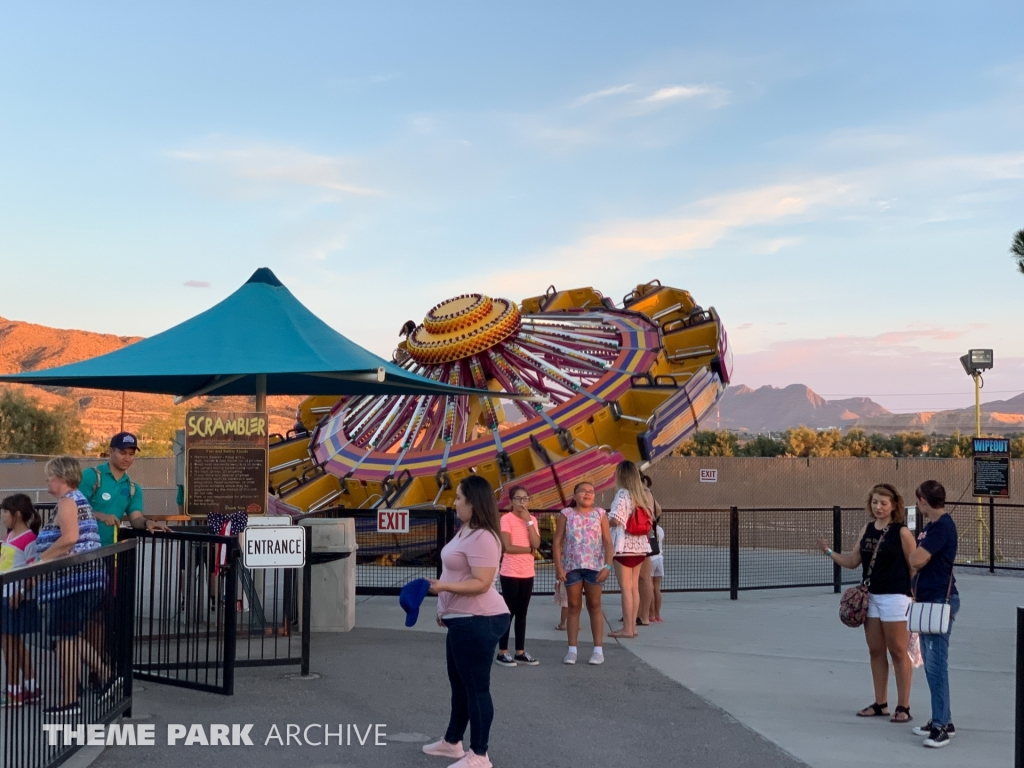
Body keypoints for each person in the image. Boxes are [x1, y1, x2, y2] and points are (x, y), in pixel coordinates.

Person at [423, 475, 510, 768]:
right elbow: (455, 573)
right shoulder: (466, 531)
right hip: (462, 619)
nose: (455, 502)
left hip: (479, 619)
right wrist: (443, 608)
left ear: (473, 503)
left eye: (459, 498)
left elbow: (481, 583)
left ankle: (480, 754)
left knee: (476, 688)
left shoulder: (484, 536)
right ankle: (452, 743)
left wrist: (443, 589)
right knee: (460, 685)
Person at [817, 483, 917, 723]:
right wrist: (829, 552)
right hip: (870, 596)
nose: (878, 507)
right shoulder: (867, 529)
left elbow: (914, 565)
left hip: (896, 597)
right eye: (874, 502)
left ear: (894, 505)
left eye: (883, 503)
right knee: (875, 650)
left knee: (898, 651)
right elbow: (853, 561)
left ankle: (903, 706)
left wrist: (916, 593)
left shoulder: (902, 532)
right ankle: (880, 703)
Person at [37, 456, 120, 718]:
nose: (47, 480)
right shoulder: (76, 500)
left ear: (62, 477)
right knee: (69, 635)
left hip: (75, 582)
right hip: (84, 580)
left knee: (64, 638)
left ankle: (70, 700)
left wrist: (39, 561)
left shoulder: (68, 501)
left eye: (50, 475)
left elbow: (70, 538)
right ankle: (106, 676)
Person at [908, 480, 960, 748]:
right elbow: (920, 557)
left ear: (923, 500)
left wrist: (918, 557)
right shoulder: (931, 527)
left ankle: (941, 727)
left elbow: (916, 559)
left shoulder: (942, 527)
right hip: (927, 599)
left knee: (936, 665)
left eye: (918, 500)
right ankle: (943, 718)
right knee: (930, 664)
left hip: (940, 600)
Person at [552, 481, 614, 665]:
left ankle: (598, 651)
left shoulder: (600, 514)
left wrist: (608, 566)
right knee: (573, 605)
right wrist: (558, 567)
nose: (587, 494)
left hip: (594, 567)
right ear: (574, 495)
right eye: (583, 491)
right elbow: (557, 541)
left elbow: (607, 542)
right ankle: (572, 650)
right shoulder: (566, 514)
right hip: (572, 567)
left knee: (594, 605)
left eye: (591, 491)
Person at [81, 432, 170, 544]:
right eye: (122, 453)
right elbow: (72, 510)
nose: (127, 458)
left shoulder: (133, 488)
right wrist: (100, 516)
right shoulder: (90, 476)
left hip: (108, 550)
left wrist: (147, 523)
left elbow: (136, 519)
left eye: (131, 454)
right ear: (111, 451)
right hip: (81, 548)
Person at [0, 494, 41, 707]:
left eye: (5, 512)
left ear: (16, 514)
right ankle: (31, 687)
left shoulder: (29, 539)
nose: (3, 516)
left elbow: (33, 573)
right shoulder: (10, 535)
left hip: (14, 599)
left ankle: (13, 691)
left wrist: (22, 592)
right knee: (14, 643)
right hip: (6, 595)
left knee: (9, 645)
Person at [495, 486, 541, 667]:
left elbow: (536, 543)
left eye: (525, 498)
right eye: (518, 498)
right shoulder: (506, 519)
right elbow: (508, 547)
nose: (522, 502)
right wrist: (528, 550)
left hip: (527, 572)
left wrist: (529, 522)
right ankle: (502, 651)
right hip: (510, 572)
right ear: (511, 501)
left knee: (522, 613)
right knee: (509, 612)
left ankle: (520, 651)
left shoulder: (532, 520)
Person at [607, 461, 653, 639]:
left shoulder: (623, 494)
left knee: (626, 588)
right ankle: (633, 627)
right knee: (634, 588)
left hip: (624, 546)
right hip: (640, 546)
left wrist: (605, 520)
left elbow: (616, 519)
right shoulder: (641, 494)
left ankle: (627, 628)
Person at [636, 474, 662, 626]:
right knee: (650, 582)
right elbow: (658, 509)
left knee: (641, 579)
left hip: (640, 537)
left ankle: (642, 613)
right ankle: (650, 614)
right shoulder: (648, 492)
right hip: (649, 538)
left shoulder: (640, 492)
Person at [648, 520, 665, 623]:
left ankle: (651, 614)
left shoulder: (648, 530)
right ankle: (657, 614)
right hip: (659, 558)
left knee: (649, 587)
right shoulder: (660, 530)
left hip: (651, 559)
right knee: (657, 587)